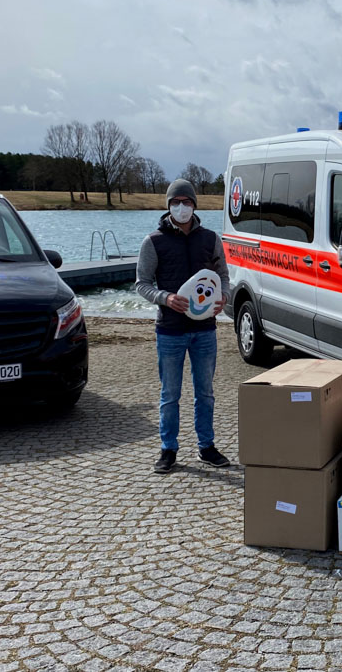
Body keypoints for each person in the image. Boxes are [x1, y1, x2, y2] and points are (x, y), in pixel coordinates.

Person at [136, 179, 232, 474]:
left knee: (205, 392)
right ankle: (168, 449)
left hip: (205, 330)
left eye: (187, 202)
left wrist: (223, 297)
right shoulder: (153, 242)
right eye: (176, 202)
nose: (182, 207)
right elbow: (142, 284)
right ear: (168, 206)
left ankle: (206, 446)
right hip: (170, 330)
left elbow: (223, 277)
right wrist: (165, 298)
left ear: (194, 205)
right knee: (170, 394)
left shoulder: (210, 238)